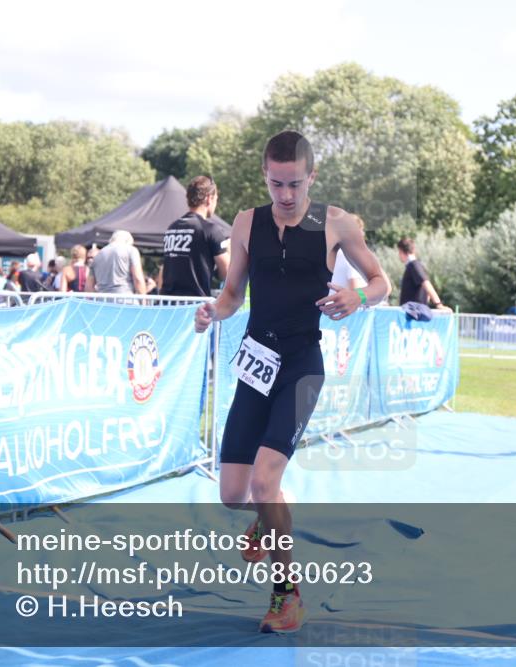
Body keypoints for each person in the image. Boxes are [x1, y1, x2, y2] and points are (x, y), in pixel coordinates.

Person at [194, 131, 389, 634]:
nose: (285, 195)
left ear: (312, 178)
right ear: (265, 176)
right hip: (257, 360)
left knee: (264, 480)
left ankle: (287, 596)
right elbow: (234, 293)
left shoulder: (336, 223)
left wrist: (358, 300)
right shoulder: (244, 223)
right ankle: (270, 510)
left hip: (302, 364)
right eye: (277, 184)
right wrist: (213, 312)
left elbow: (380, 282)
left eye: (295, 185)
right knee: (234, 495)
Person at [161, 176, 230, 298]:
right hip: (194, 308)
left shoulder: (172, 228)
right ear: (209, 198)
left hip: (168, 306)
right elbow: (227, 272)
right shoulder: (211, 230)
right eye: (216, 199)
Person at [86, 230, 147, 296]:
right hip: (125, 299)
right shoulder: (131, 250)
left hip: (102, 301)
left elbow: (89, 286)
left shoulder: (98, 255)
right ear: (128, 241)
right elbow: (138, 279)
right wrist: (143, 301)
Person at [397, 238, 448, 311]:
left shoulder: (414, 265)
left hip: (414, 313)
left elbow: (426, 283)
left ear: (401, 251)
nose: (399, 255)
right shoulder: (417, 265)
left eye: (399, 252)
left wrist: (438, 304)